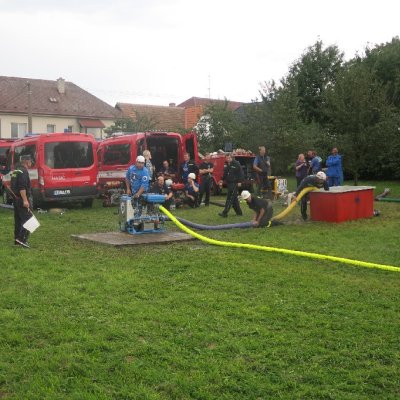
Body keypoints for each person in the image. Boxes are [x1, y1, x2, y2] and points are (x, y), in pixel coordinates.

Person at [10, 154, 33, 248]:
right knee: (30, 219)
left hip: (16, 199)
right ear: (26, 161)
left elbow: (13, 185)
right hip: (21, 199)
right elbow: (22, 187)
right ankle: (22, 239)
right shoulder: (23, 171)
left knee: (18, 220)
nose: (31, 163)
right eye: (30, 161)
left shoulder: (15, 171)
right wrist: (25, 200)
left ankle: (17, 239)